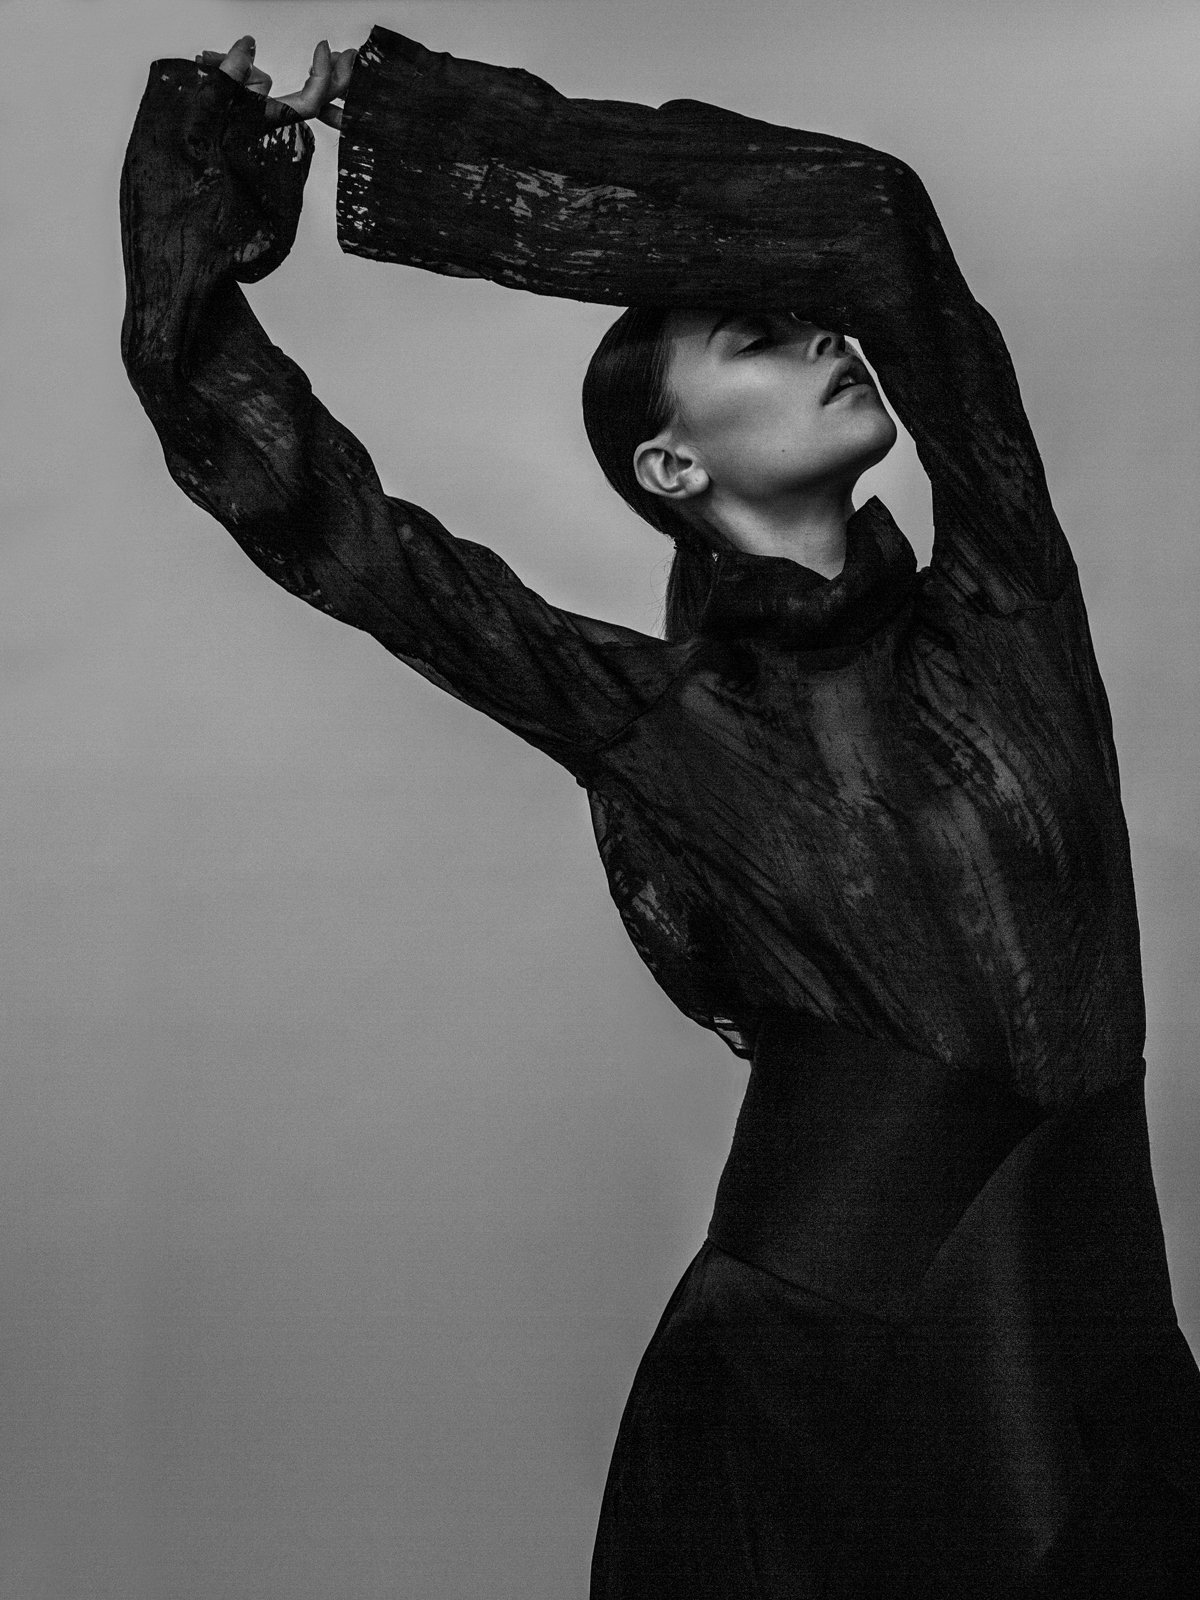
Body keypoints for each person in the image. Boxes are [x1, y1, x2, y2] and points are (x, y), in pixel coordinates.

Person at [120, 29, 1200, 1598]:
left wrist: (417, 120)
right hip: (806, 1363)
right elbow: (320, 518)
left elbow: (877, 225)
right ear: (671, 462)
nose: (826, 341)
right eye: (761, 340)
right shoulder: (653, 716)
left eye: (810, 322)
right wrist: (203, 180)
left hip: (1092, 1329)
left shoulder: (1007, 600)